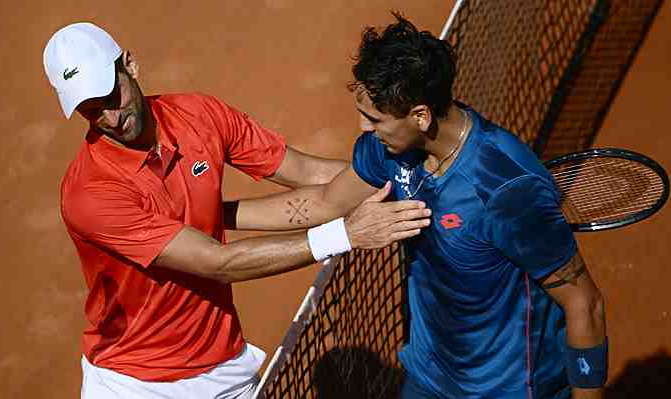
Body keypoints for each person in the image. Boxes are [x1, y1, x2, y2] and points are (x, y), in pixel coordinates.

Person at [42, 22, 432, 399]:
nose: (111, 118)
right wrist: (346, 234)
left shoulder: (199, 115)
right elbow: (218, 262)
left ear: (130, 65)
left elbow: (309, 174)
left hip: (224, 368)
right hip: (136, 385)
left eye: (112, 98)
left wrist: (402, 173)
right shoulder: (90, 194)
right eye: (92, 111)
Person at [232, 13, 608, 399]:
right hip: (428, 376)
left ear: (421, 116)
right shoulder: (391, 150)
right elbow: (325, 202)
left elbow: (585, 304)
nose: (364, 128)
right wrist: (220, 214)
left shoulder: (506, 190)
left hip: (508, 388)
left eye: (374, 118)